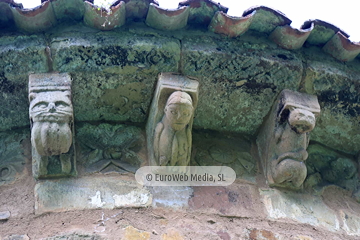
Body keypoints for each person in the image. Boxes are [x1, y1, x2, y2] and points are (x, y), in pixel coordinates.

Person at [153, 91, 194, 166]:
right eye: (173, 112)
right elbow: (155, 147)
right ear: (165, 110)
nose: (179, 118)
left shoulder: (187, 131)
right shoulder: (160, 127)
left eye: (185, 114)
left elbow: (188, 152)